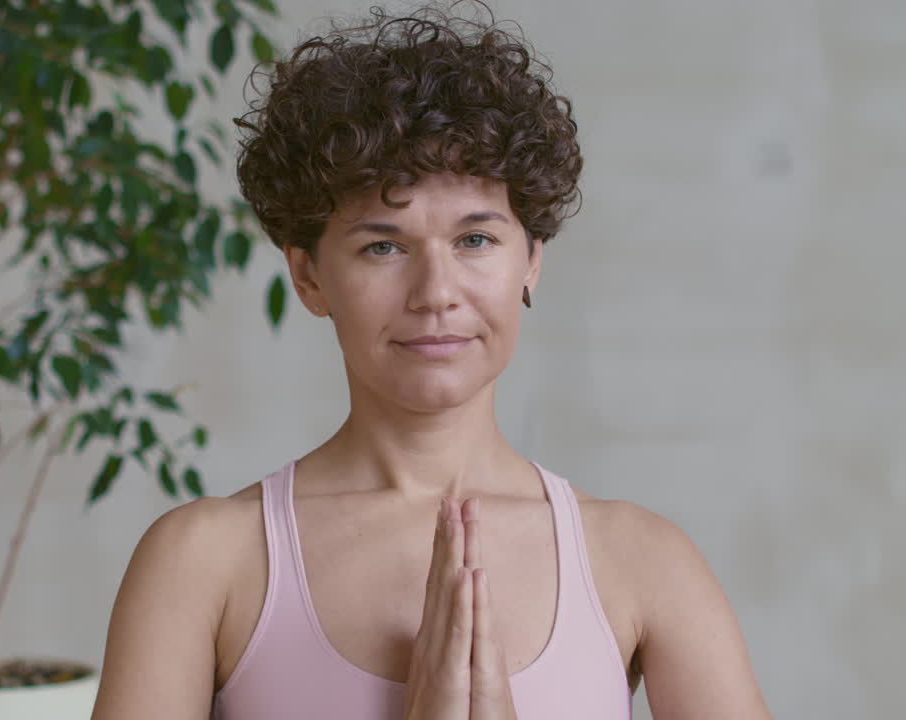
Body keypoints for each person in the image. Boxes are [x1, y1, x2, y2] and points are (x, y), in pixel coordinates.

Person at [91, 3, 772, 719]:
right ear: (310, 277)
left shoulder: (642, 562)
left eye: (475, 241)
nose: (436, 293)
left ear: (532, 261)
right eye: (382, 247)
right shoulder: (203, 563)